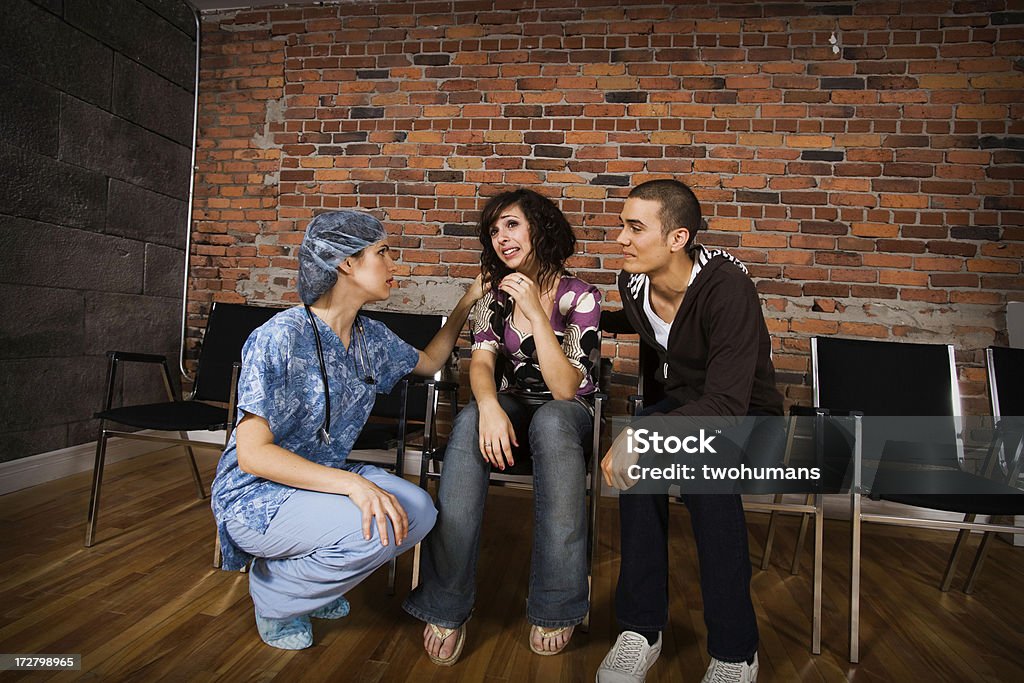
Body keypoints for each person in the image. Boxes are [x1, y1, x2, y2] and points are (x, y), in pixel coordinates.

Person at [210, 210, 484, 650]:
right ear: (345, 263)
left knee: (419, 511)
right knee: (374, 526)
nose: (396, 265)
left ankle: (309, 583)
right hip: (256, 493)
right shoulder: (278, 336)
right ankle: (275, 593)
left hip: (325, 478)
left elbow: (429, 362)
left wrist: (468, 300)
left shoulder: (370, 337)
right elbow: (254, 455)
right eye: (383, 253)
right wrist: (353, 487)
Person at [403, 189, 602, 664]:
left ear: (540, 228)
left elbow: (564, 389)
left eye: (511, 225)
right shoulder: (491, 299)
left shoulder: (582, 296)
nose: (500, 238)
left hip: (567, 409)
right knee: (472, 418)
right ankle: (446, 602)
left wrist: (536, 312)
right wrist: (487, 406)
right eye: (493, 230)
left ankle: (555, 604)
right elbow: (481, 364)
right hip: (509, 403)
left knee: (553, 421)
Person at [596, 179, 783, 683]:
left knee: (700, 464)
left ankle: (734, 652)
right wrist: (574, 314)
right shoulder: (632, 282)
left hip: (749, 417)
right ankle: (641, 629)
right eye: (622, 226)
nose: (621, 239)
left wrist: (639, 435)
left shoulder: (728, 289)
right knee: (642, 469)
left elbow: (725, 404)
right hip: (689, 409)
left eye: (635, 228)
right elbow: (646, 324)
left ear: (678, 238)